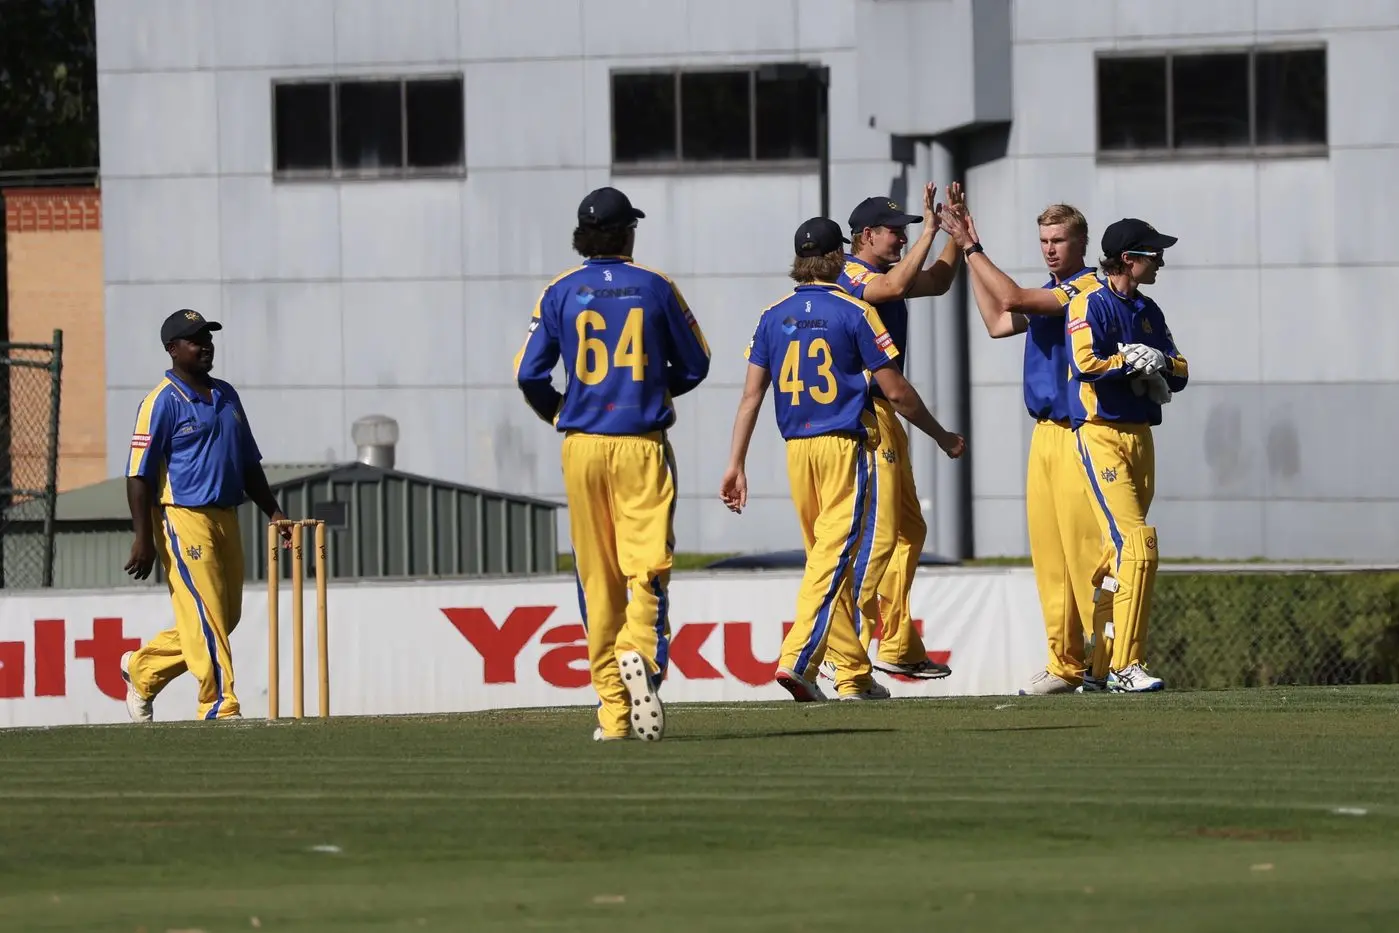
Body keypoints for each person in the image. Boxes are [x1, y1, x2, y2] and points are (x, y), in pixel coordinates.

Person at [719, 217, 965, 702]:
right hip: (844, 444)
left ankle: (852, 670)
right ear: (840, 256)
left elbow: (750, 397)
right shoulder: (853, 311)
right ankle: (799, 658)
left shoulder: (772, 315)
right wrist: (939, 434)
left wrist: (736, 463)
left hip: (796, 451)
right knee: (840, 557)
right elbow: (894, 391)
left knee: (827, 556)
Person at [514, 186, 711, 742]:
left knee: (595, 578)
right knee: (647, 561)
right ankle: (640, 651)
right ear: (627, 232)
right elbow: (697, 363)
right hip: (640, 441)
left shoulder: (559, 291)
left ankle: (614, 717)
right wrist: (650, 388)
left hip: (580, 443)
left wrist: (561, 413)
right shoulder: (653, 286)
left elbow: (528, 374)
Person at [938, 202, 1115, 694]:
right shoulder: (1051, 295)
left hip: (1081, 433)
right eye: (1044, 241)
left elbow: (1012, 297)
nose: (1050, 250)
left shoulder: (1086, 289)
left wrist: (973, 247)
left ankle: (1109, 664)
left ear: (1081, 243)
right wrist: (963, 247)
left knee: (1086, 555)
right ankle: (1066, 664)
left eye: (1058, 240)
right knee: (1052, 556)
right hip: (1044, 434)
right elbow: (998, 320)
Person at [120, 309, 290, 722]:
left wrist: (274, 511)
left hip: (226, 516)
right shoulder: (160, 401)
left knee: (223, 618)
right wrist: (143, 537)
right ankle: (218, 703)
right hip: (182, 517)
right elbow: (138, 474)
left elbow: (248, 462)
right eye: (195, 339)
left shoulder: (227, 395)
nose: (205, 345)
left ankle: (143, 670)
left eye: (208, 337)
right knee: (208, 614)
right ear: (172, 349)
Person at [833, 183, 964, 682]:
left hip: (889, 420)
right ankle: (835, 639)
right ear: (865, 235)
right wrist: (932, 230)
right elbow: (889, 290)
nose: (902, 240)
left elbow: (939, 281)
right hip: (867, 417)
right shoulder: (851, 272)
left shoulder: (888, 273)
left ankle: (895, 643)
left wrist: (957, 231)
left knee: (911, 531)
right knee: (882, 534)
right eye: (896, 232)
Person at [1065, 218, 1189, 693]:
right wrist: (1125, 361)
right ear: (1129, 260)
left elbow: (1180, 367)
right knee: (1139, 545)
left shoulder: (1148, 309)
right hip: (1100, 433)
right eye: (1153, 255)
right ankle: (1125, 666)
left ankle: (1098, 671)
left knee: (1120, 555)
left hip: (1141, 434)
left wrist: (1159, 361)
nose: (1160, 261)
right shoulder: (1089, 302)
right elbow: (1084, 362)